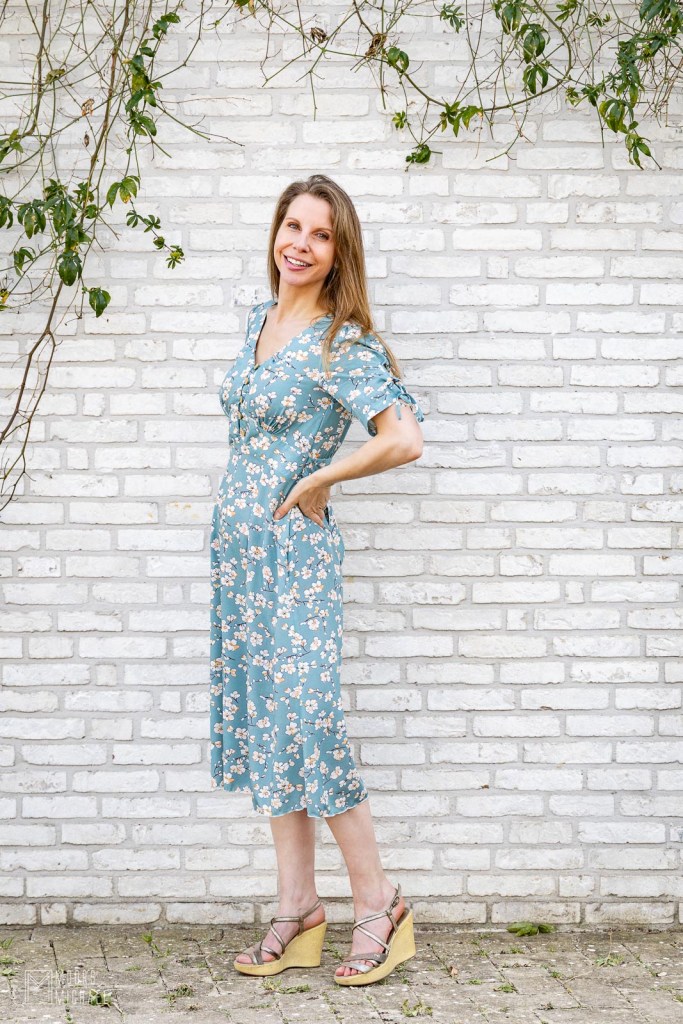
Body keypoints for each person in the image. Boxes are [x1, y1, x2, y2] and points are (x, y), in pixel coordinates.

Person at [209, 173, 425, 986]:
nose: (299, 244)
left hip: (293, 560)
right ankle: (297, 906)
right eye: (292, 226)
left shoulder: (343, 342)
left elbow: (402, 438)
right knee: (270, 727)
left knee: (309, 724)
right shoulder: (259, 319)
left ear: (339, 253)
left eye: (320, 234)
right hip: (238, 558)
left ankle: (379, 902)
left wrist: (321, 477)